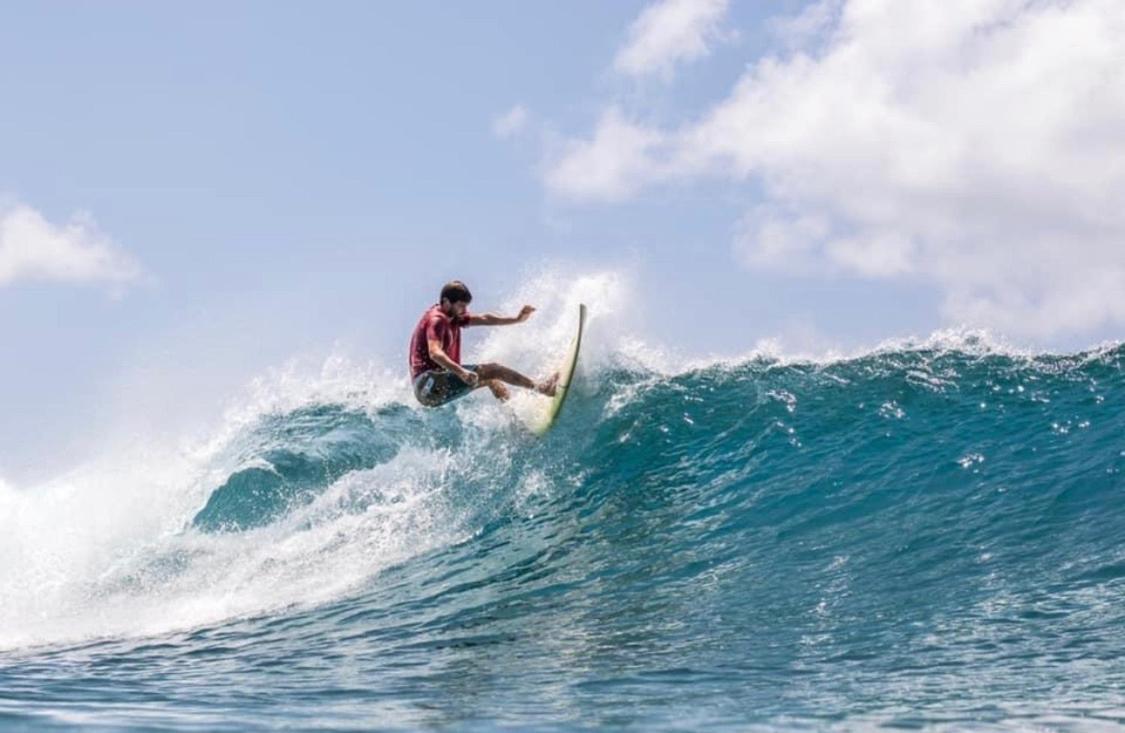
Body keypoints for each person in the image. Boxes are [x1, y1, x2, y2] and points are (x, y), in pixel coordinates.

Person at [409, 280, 559, 407]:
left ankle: (514, 415)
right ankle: (542, 388)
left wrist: (517, 319)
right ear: (446, 302)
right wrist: (461, 372)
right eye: (461, 306)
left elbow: (485, 319)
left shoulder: (453, 317)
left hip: (429, 389)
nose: (464, 310)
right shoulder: (437, 320)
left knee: (492, 379)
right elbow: (434, 353)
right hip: (427, 384)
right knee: (494, 369)